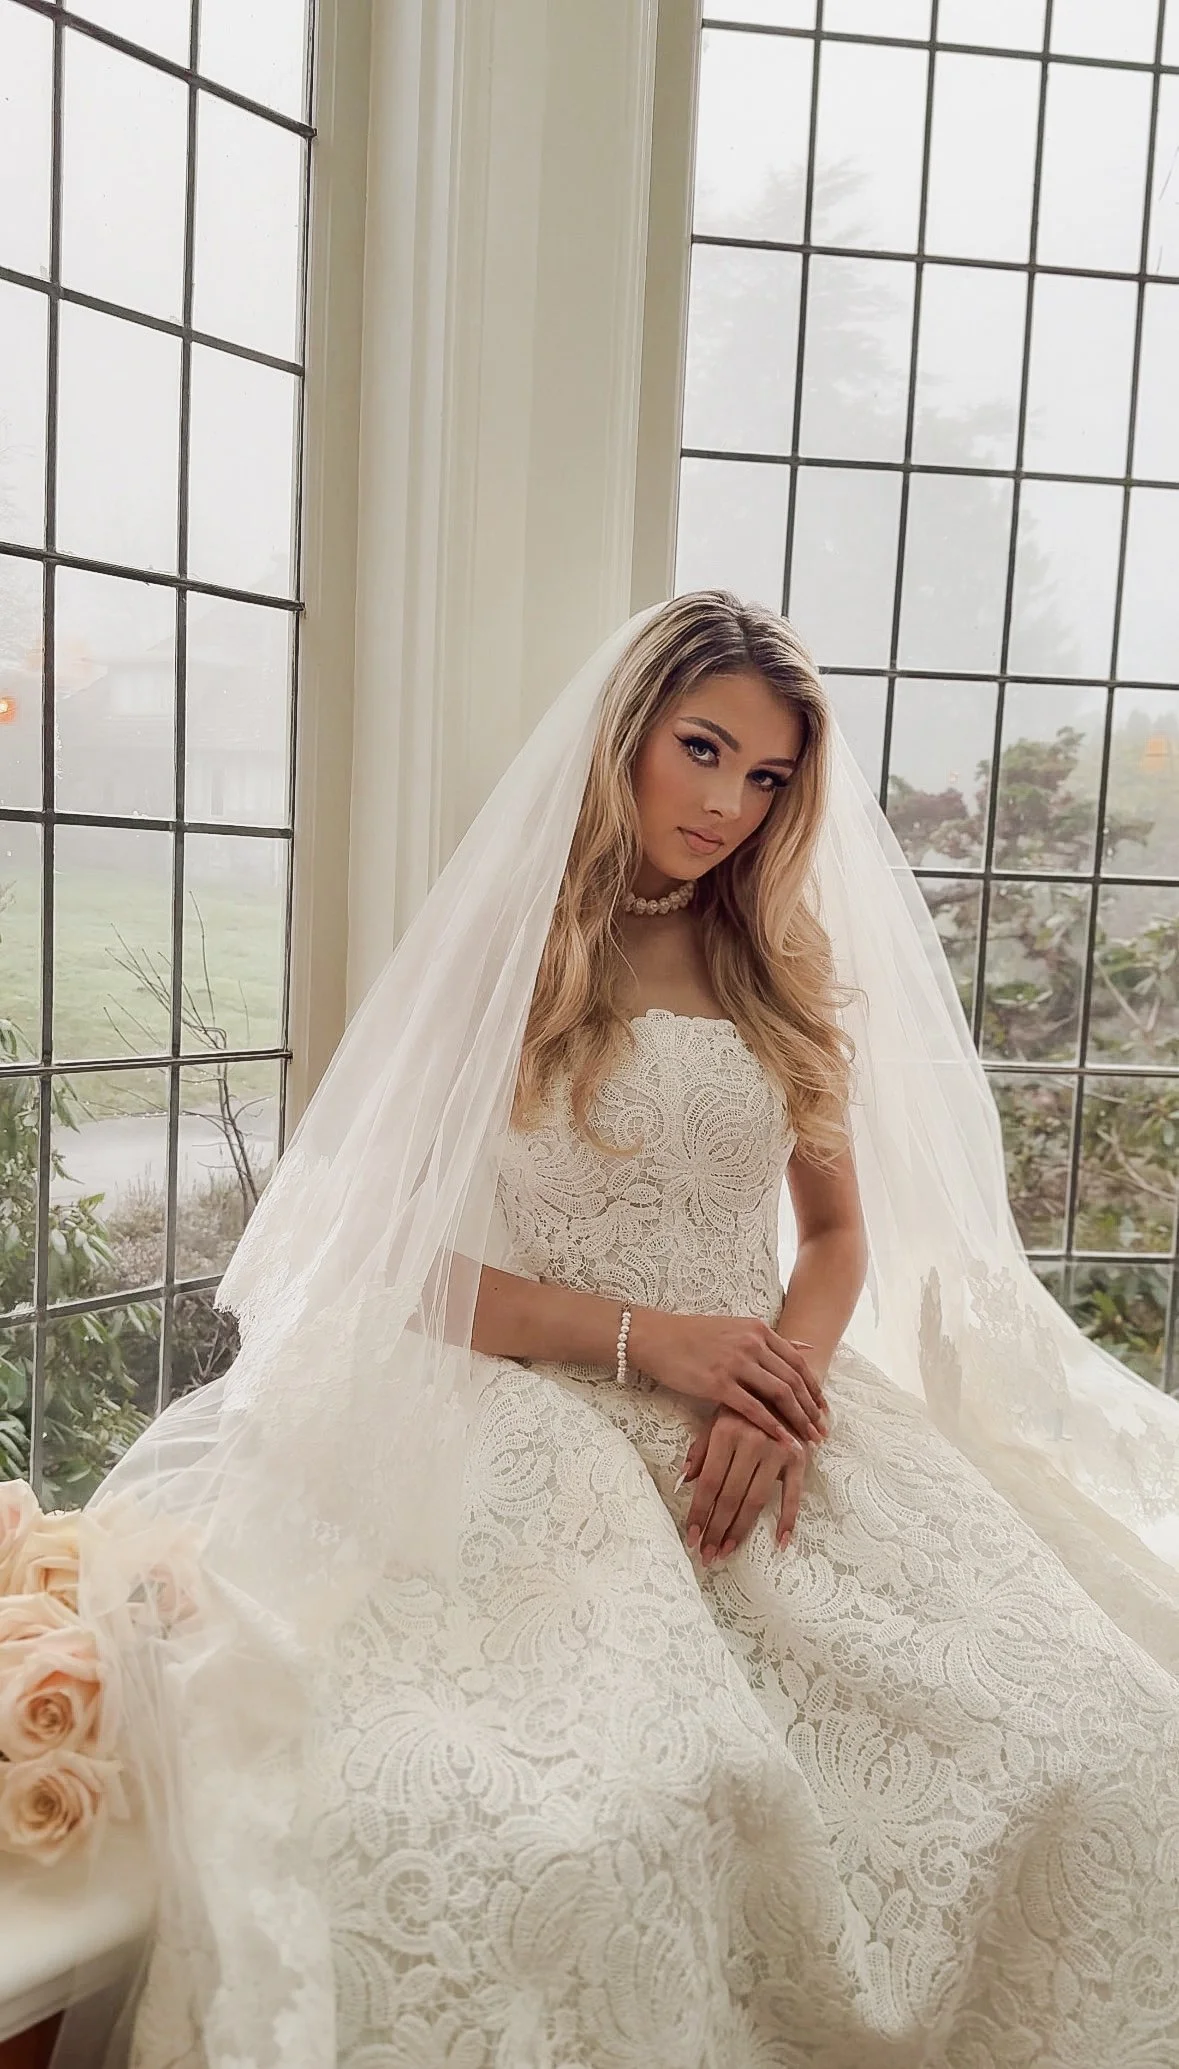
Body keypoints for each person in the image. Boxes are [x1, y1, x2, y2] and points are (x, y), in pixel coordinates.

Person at [56, 591, 1179, 2067]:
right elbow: (388, 1268)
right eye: (700, 748)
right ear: (624, 735)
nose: (726, 802)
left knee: (1101, 1745)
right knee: (580, 1828)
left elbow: (835, 1237)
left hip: (766, 1421)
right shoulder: (507, 957)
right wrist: (652, 1343)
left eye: (767, 775)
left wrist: (777, 1390)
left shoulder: (783, 963)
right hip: (545, 1429)